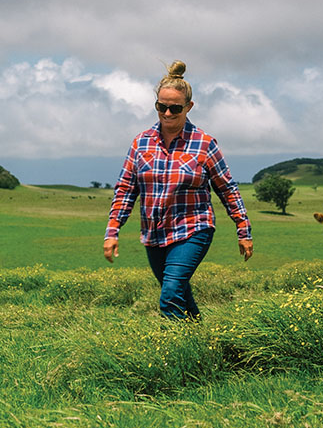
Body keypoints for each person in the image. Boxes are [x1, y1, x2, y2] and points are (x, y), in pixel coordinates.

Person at [103, 60, 253, 319]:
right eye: (162, 107)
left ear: (188, 107)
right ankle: (203, 343)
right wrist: (112, 231)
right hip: (154, 233)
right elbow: (126, 189)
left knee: (170, 294)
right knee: (179, 293)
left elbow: (227, 189)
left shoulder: (204, 144)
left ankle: (173, 354)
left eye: (175, 108)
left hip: (193, 229)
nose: (168, 113)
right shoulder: (141, 143)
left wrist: (244, 230)